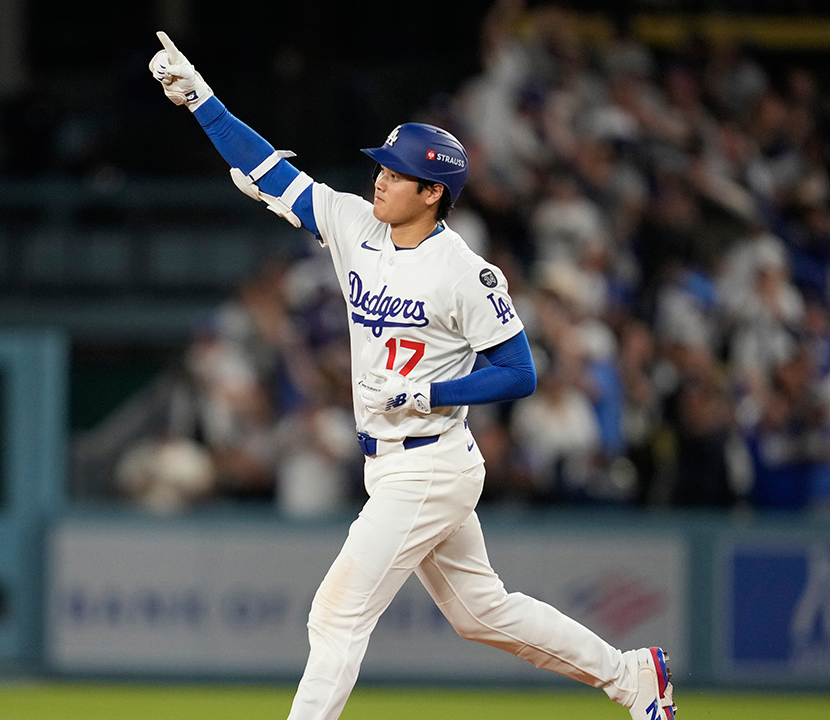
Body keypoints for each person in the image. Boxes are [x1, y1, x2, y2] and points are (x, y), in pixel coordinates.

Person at [148, 32, 676, 720]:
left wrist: (430, 391)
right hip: (395, 461)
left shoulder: (465, 269)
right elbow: (270, 173)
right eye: (382, 168)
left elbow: (518, 372)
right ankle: (633, 676)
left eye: (396, 175)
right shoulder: (353, 225)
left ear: (433, 192)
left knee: (335, 617)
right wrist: (203, 102)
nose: (380, 180)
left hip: (429, 462)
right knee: (482, 612)